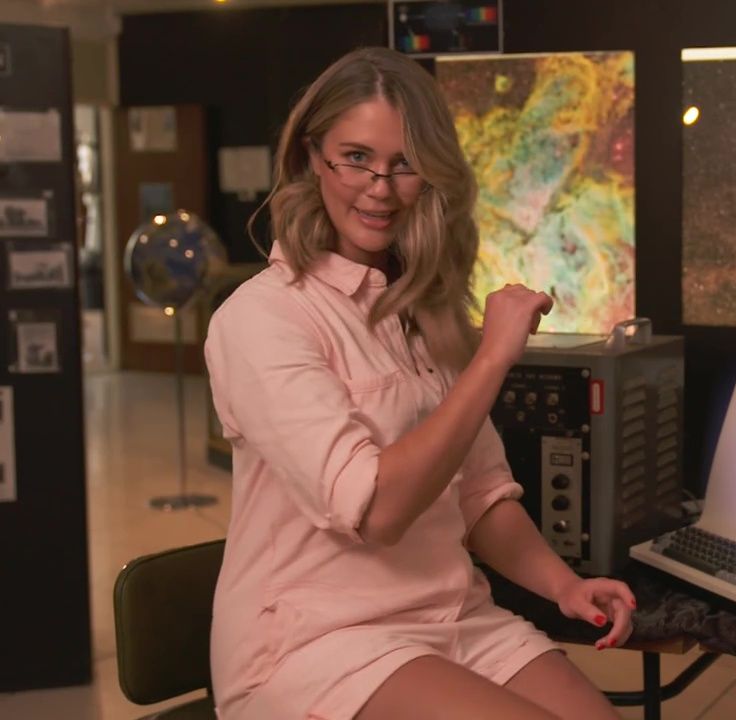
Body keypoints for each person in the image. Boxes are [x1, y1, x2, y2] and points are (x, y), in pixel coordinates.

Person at [204, 47, 635, 720]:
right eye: (356, 157)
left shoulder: (424, 315)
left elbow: (480, 497)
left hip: (452, 619)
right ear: (311, 158)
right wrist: (491, 359)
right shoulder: (262, 318)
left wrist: (564, 586)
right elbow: (377, 511)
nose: (379, 187)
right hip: (318, 642)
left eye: (404, 164)